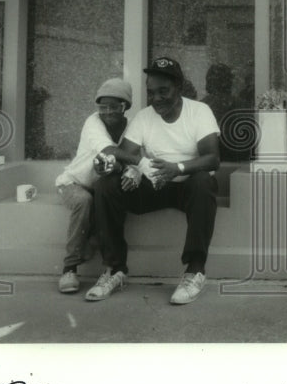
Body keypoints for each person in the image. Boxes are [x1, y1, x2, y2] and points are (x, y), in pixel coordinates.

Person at [86, 56, 221, 305]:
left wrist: (177, 167)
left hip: (188, 187)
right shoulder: (145, 117)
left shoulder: (199, 112)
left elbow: (212, 158)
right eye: (151, 92)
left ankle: (195, 270)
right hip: (155, 185)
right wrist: (113, 167)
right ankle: (114, 270)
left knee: (203, 181)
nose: (156, 98)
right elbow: (126, 154)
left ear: (179, 88)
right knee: (105, 185)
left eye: (163, 91)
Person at [55, 78, 133, 294]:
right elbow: (108, 151)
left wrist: (129, 167)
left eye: (114, 107)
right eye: (102, 106)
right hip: (74, 184)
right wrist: (136, 162)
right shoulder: (93, 122)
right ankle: (69, 269)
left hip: (100, 186)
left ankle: (93, 244)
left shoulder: (133, 125)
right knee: (84, 200)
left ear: (125, 107)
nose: (107, 112)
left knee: (114, 200)